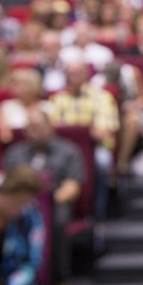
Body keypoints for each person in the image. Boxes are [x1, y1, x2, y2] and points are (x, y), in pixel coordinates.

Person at [3, 109, 84, 285]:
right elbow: (6, 186)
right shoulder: (15, 153)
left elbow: (73, 185)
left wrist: (45, 204)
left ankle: (59, 283)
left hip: (54, 203)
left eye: (39, 126)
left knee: (57, 221)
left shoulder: (69, 150)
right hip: (17, 206)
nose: (35, 131)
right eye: (30, 128)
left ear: (50, 126)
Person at [47, 61, 119, 220]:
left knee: (102, 162)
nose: (75, 77)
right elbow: (51, 129)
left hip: (95, 148)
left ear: (87, 74)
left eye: (79, 72)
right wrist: (84, 129)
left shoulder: (102, 97)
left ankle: (97, 212)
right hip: (62, 148)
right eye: (71, 73)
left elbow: (104, 131)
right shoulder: (56, 99)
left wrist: (74, 131)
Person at [0, 166, 46, 285]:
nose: (19, 208)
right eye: (16, 201)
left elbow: (32, 264)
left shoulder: (30, 214)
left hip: (13, 283)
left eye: (25, 201)